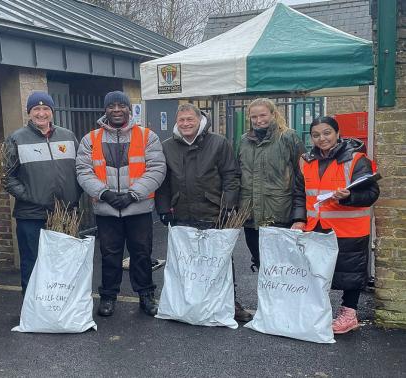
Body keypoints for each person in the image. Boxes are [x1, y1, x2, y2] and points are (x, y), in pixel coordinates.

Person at [155, 103, 251, 321]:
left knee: (219, 260)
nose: (186, 124)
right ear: (176, 123)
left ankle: (230, 301)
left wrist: (228, 206)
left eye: (190, 119)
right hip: (181, 212)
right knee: (187, 263)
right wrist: (163, 208)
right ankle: (189, 302)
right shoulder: (167, 146)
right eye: (182, 120)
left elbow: (231, 175)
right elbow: (163, 182)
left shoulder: (218, 143)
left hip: (213, 211)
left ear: (200, 120)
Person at [76, 91, 166, 317]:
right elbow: (83, 171)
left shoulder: (147, 136)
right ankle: (108, 297)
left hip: (138, 207)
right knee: (109, 255)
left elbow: (157, 169)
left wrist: (132, 195)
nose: (116, 110)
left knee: (142, 254)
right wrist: (104, 193)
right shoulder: (91, 138)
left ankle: (146, 295)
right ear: (105, 110)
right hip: (107, 209)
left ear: (129, 109)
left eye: (121, 105)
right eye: (111, 106)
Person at [292, 116, 379, 334]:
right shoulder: (306, 160)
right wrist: (299, 219)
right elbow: (299, 194)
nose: (322, 138)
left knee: (350, 272)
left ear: (337, 133)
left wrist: (348, 196)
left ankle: (349, 314)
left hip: (348, 229)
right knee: (316, 273)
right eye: (316, 135)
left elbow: (371, 193)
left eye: (327, 133)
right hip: (316, 225)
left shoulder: (357, 159)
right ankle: (319, 312)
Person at [4, 92, 80, 294]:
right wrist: (32, 197)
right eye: (36, 109)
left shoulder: (68, 136)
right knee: (32, 262)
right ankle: (33, 309)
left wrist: (74, 197)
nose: (41, 113)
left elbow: (81, 170)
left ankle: (61, 306)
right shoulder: (16, 138)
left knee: (64, 262)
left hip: (64, 214)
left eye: (46, 109)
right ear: (29, 113)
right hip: (31, 215)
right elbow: (7, 177)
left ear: (52, 112)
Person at [238, 98, 306, 270]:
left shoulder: (288, 137)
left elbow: (302, 177)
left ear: (273, 114)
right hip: (251, 215)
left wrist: (300, 215)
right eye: (254, 117)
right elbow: (239, 174)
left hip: (279, 212)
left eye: (263, 115)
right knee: (260, 263)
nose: (258, 120)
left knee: (281, 266)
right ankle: (264, 298)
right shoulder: (244, 140)